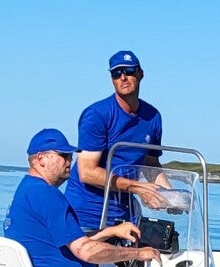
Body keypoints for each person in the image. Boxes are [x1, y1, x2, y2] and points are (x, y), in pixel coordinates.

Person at [4, 129, 165, 267]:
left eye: (70, 156)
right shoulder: (47, 195)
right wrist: (138, 253)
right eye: (63, 155)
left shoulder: (26, 190)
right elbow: (86, 251)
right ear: (41, 158)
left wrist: (110, 232)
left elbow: (67, 239)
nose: (70, 161)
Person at [67, 50, 166, 234]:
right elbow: (87, 172)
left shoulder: (153, 117)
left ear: (140, 74)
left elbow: (151, 164)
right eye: (116, 73)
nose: (123, 77)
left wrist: (170, 195)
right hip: (88, 214)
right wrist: (138, 188)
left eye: (128, 71)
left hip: (125, 215)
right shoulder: (97, 115)